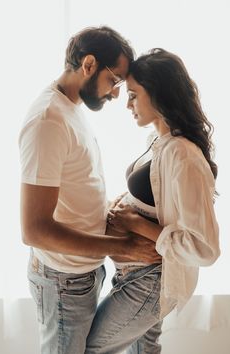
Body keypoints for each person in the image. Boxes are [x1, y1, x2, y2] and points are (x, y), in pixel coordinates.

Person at [18, 27, 161, 354]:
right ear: (89, 64)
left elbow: (73, 185)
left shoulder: (69, 109)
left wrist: (110, 210)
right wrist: (123, 246)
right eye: (115, 81)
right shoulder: (47, 121)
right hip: (62, 280)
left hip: (80, 273)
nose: (115, 95)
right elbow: (35, 230)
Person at [85, 48, 220, 354]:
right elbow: (158, 202)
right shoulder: (159, 142)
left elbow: (204, 248)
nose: (127, 104)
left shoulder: (182, 154)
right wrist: (124, 204)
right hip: (133, 274)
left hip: (149, 281)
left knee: (88, 348)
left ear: (158, 94)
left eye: (133, 95)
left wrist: (132, 222)